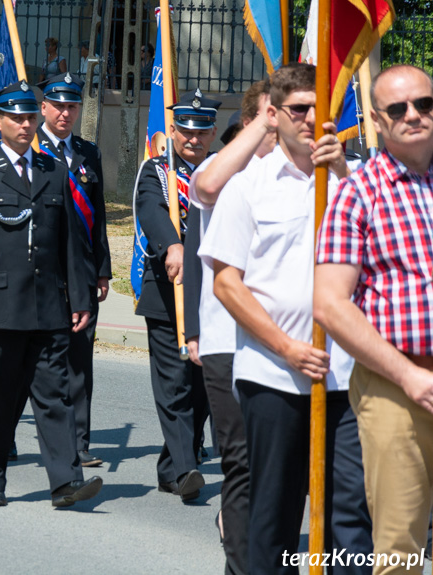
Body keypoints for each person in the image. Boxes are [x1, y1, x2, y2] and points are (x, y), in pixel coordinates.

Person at [199, 63, 371, 574]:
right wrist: (287, 348)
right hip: (273, 375)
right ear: (273, 114)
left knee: (351, 514)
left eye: (324, 110)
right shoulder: (248, 187)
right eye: (300, 109)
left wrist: (342, 174)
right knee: (273, 514)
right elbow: (228, 283)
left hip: (346, 371)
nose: (314, 120)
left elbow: (388, 250)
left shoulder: (358, 182)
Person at [0, 79, 102, 508]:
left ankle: (65, 481)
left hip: (49, 306)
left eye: (30, 116)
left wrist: (80, 297)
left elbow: (70, 241)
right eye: (15, 117)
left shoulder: (54, 170)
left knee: (55, 396)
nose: (25, 123)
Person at [314, 64, 433, 575]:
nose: (414, 116)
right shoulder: (356, 193)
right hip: (395, 384)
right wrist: (410, 376)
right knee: (400, 552)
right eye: (399, 109)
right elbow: (330, 304)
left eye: (425, 104)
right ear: (377, 121)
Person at [188, 78, 273, 575]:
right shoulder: (229, 172)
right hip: (230, 341)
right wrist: (263, 121)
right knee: (241, 463)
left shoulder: (308, 176)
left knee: (282, 467)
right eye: (274, 113)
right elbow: (208, 186)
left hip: (290, 346)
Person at [133, 88, 216, 502]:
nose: (193, 140)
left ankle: (172, 463)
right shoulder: (158, 172)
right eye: (185, 131)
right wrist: (172, 244)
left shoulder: (221, 174)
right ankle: (186, 470)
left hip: (213, 299)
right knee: (174, 384)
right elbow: (149, 209)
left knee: (202, 389)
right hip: (170, 294)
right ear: (174, 131)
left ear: (212, 133)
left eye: (201, 133)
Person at [33, 72, 111, 467]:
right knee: (33, 358)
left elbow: (96, 220)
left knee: (80, 360)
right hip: (41, 271)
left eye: (72, 106)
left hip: (80, 272)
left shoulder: (88, 153)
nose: (65, 113)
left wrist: (102, 270)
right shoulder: (29, 146)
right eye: (58, 105)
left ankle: (78, 442)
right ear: (43, 107)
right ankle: (12, 434)